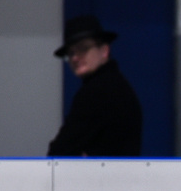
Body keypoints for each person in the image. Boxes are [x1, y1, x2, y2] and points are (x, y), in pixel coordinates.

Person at [48, 15, 143, 157]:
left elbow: (60, 151)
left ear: (104, 51)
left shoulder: (98, 91)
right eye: (71, 53)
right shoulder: (117, 84)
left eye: (83, 49)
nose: (75, 58)